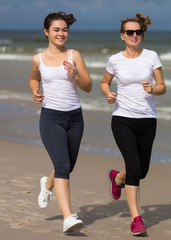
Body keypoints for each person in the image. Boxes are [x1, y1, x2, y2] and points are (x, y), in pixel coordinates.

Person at [100, 13, 166, 236]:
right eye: (130, 32)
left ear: (142, 34)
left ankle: (117, 177)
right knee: (135, 169)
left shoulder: (151, 56)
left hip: (147, 119)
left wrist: (153, 89)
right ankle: (136, 219)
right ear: (122, 36)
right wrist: (109, 93)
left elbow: (162, 86)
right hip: (122, 119)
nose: (134, 35)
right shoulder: (115, 59)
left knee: (141, 170)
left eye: (138, 32)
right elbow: (104, 82)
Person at [29, 11, 92, 233]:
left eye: (64, 29)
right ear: (47, 32)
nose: (61, 33)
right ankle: (68, 217)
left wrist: (75, 75)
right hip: (51, 118)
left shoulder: (75, 55)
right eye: (56, 29)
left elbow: (88, 86)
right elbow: (34, 77)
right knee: (63, 166)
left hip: (75, 118)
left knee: (67, 165)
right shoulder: (38, 58)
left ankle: (47, 184)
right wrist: (35, 91)